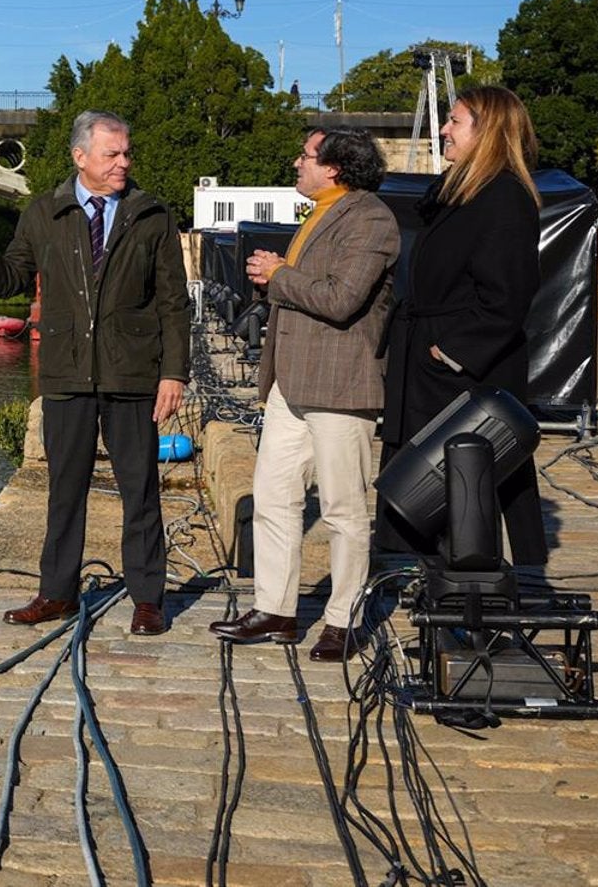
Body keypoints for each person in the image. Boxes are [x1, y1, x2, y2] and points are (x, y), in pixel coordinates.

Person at [0, 110, 188, 635]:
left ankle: (147, 598)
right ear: (80, 157)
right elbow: (11, 280)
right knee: (63, 488)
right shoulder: (44, 212)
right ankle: (57, 594)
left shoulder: (151, 215)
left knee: (139, 488)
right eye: (111, 154)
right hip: (67, 374)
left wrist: (174, 374)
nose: (123, 163)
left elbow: (173, 304)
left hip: (132, 375)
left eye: (126, 153)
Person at [210, 128, 398, 661]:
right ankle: (276, 610)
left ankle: (342, 619)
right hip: (291, 385)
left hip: (340, 385)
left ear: (335, 167)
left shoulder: (371, 219)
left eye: (306, 156)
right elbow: (301, 290)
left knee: (342, 511)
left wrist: (280, 274)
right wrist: (267, 280)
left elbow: (342, 300)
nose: (296, 163)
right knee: (272, 499)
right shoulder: (319, 213)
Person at [379, 85, 548, 565]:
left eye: (455, 121)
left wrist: (450, 350)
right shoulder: (462, 193)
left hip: (462, 375)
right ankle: (441, 589)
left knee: (462, 484)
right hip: (431, 366)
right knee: (431, 485)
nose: (444, 130)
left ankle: (470, 600)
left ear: (487, 130)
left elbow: (507, 296)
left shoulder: (505, 199)